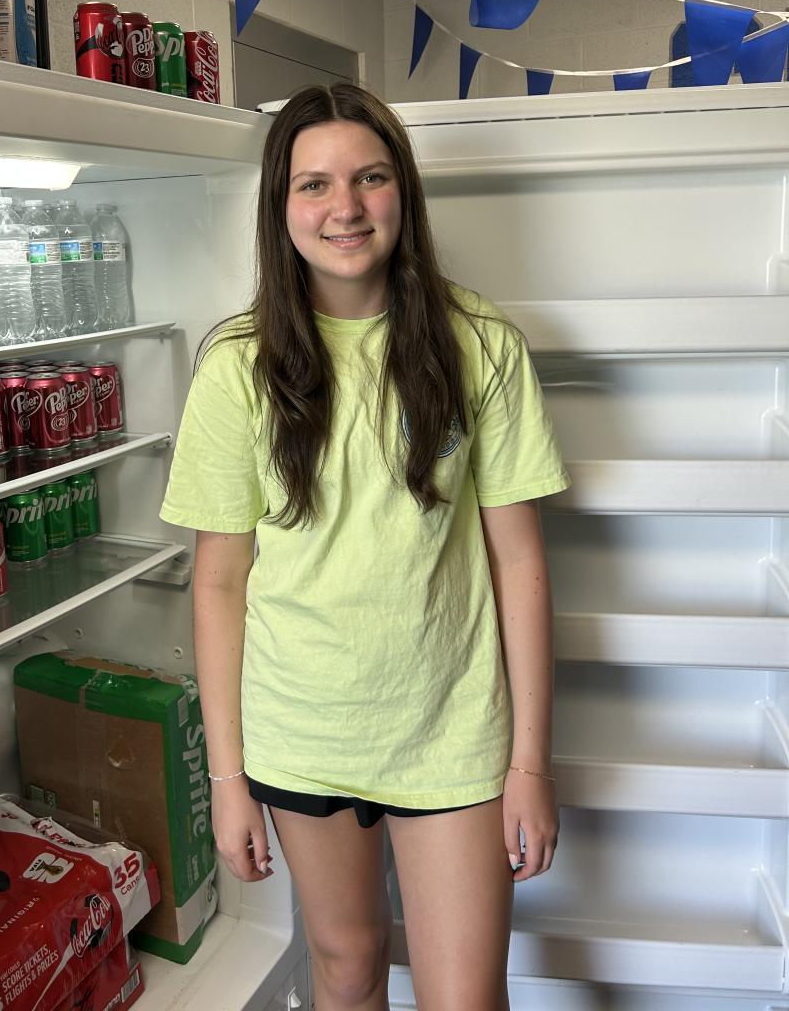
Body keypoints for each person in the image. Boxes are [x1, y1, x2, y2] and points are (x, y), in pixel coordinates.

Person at [160, 82, 571, 1011]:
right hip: (301, 733)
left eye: (370, 178)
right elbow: (219, 583)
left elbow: (520, 563)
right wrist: (227, 780)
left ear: (403, 192)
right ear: (281, 206)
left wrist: (530, 765)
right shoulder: (236, 366)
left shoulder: (480, 344)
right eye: (314, 184)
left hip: (452, 730)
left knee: (465, 997)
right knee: (345, 973)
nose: (344, 207)